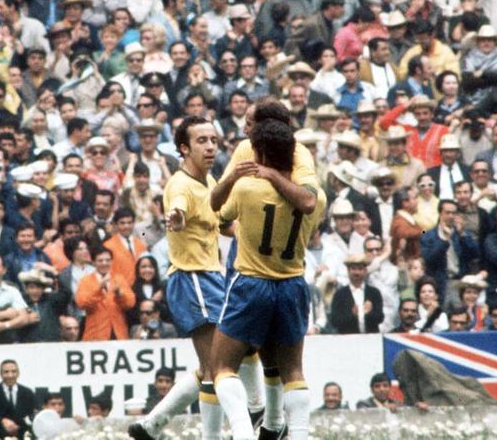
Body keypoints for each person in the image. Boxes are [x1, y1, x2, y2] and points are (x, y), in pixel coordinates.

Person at [212, 108, 325, 440]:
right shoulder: (315, 196)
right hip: (291, 284)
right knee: (292, 370)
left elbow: (219, 211)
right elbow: (308, 205)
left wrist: (236, 180)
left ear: (259, 152)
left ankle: (244, 433)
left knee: (222, 367)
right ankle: (297, 434)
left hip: (251, 282)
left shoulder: (246, 188)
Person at [128, 116, 226, 440]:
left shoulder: (209, 183)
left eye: (213, 139)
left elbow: (221, 223)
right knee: (216, 367)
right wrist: (176, 217)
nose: (210, 146)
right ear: (184, 148)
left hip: (213, 277)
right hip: (192, 278)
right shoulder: (180, 184)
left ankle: (152, 424)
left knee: (217, 364)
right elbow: (179, 211)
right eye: (202, 141)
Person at [75, 246, 135, 340]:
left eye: (107, 260)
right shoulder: (85, 281)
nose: (104, 263)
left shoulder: (119, 279)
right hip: (96, 333)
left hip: (118, 332)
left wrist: (119, 294)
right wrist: (99, 289)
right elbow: (82, 303)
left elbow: (130, 303)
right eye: (100, 260)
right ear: (94, 262)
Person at [329, 255, 384, 334]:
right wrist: (352, 315)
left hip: (371, 339)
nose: (357, 272)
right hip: (348, 340)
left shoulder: (374, 293)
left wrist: (369, 313)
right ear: (348, 271)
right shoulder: (340, 294)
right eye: (353, 269)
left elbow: (380, 318)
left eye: (360, 269)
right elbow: (334, 321)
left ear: (365, 271)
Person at [0, 360, 37, 438]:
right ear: (0, 374)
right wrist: (2, 421)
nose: (10, 375)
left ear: (18, 373)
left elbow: (33, 415)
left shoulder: (28, 393)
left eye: (13, 371)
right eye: (6, 372)